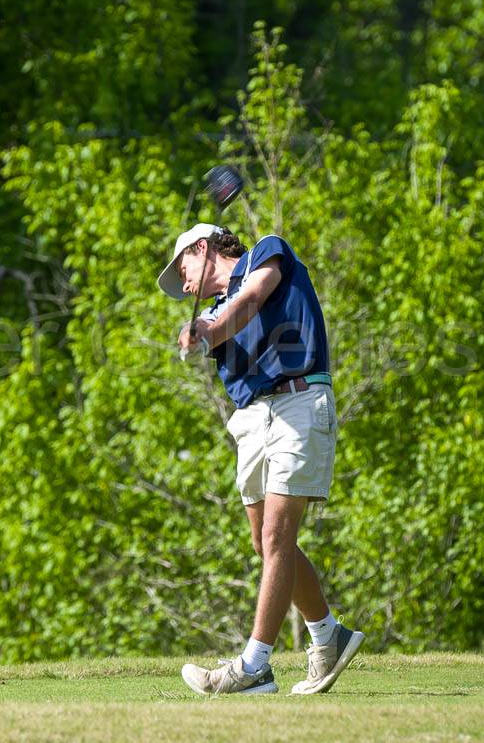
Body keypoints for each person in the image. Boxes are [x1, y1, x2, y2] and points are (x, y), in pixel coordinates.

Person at [157, 222, 363, 696]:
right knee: (265, 542)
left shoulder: (266, 254)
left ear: (202, 248)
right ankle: (328, 635)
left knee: (277, 535)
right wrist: (197, 332)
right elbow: (222, 325)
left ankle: (254, 667)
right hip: (252, 418)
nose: (182, 283)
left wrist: (206, 329)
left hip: (298, 401)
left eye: (182, 267)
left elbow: (250, 301)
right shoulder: (211, 311)